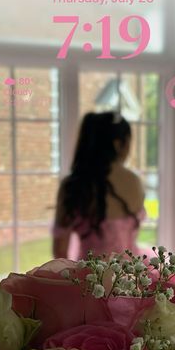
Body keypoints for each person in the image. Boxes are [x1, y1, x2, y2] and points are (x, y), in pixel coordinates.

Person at [52, 111, 150, 260]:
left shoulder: (74, 185)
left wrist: (69, 282)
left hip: (88, 278)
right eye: (129, 141)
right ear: (118, 144)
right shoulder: (134, 181)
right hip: (130, 277)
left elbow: (60, 251)